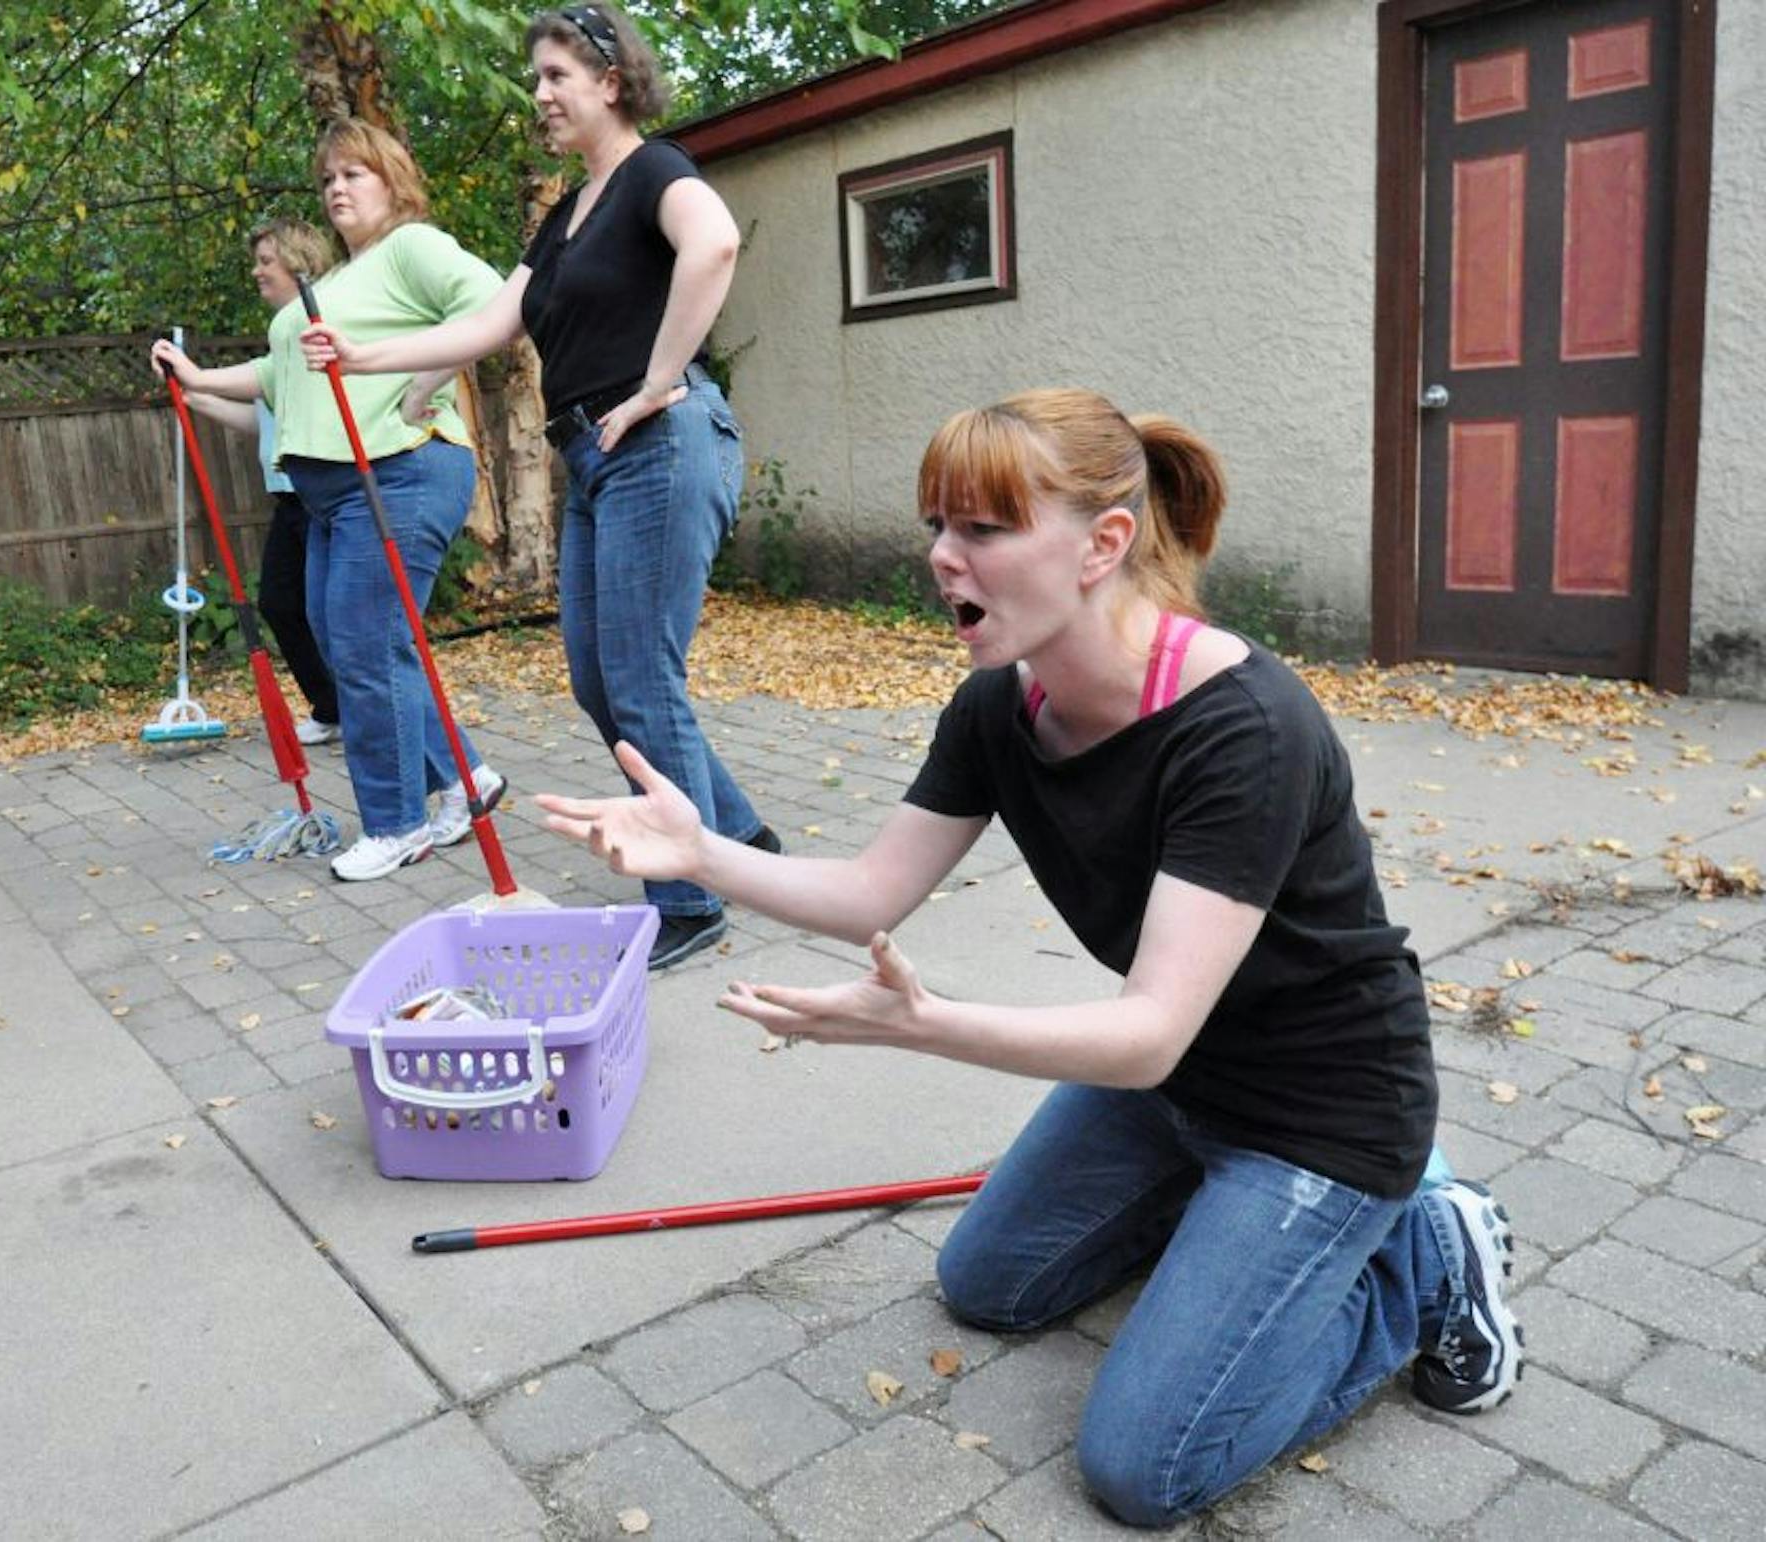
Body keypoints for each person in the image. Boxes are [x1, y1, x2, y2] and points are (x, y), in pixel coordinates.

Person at [535, 389, 1522, 1527]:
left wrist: (923, 1022)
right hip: (1172, 1093)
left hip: (1324, 1119)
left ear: (1105, 544)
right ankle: (1225, 1238)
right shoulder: (1000, 708)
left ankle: (1422, 1266)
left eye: (984, 531)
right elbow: (870, 893)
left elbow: (1148, 1031)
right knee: (987, 1288)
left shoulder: (1242, 728)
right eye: (936, 527)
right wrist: (699, 849)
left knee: (1145, 1469)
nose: (943, 559)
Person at [298, 3, 777, 967]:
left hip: (660, 440)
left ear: (611, 81)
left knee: (640, 678)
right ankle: (738, 835)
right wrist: (364, 356)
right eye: (538, 79)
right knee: (603, 685)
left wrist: (660, 380)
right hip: (594, 455)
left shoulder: (654, 171)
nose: (541, 95)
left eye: (557, 76)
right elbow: (489, 325)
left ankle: (689, 901)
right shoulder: (568, 214)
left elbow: (715, 244)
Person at [154, 121, 508, 882]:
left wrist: (427, 381)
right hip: (331, 492)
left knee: (363, 647)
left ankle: (396, 822)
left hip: (398, 473)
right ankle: (466, 779)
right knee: (363, 641)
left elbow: (493, 303)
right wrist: (196, 377)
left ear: (393, 180)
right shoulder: (333, 285)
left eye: (356, 173)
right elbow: (274, 377)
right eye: (328, 179)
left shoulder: (412, 247)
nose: (338, 188)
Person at [171, 218, 341, 747]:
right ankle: (333, 707)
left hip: (321, 494)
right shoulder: (284, 338)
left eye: (267, 261)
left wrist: (196, 377)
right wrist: (193, 395)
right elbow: (263, 423)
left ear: (299, 263)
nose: (257, 271)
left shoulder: (311, 331)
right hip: (288, 497)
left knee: (325, 610)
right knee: (281, 603)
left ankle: (358, 707)